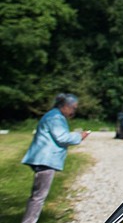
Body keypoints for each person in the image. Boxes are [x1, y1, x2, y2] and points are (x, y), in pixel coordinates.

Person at [20, 93, 89, 223]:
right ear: (65, 106)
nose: (74, 111)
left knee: (38, 195)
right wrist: (79, 136)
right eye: (73, 108)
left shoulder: (53, 115)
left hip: (43, 159)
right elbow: (62, 137)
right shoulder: (56, 118)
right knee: (38, 197)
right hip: (45, 160)